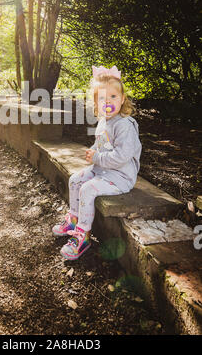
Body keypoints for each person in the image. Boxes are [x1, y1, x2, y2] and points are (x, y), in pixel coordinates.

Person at [52, 65, 142, 260]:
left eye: (113, 97)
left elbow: (122, 156)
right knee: (75, 180)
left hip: (120, 177)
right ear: (96, 102)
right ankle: (74, 220)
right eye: (102, 98)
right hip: (102, 169)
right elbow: (101, 143)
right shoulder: (104, 121)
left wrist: (98, 158)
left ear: (122, 99)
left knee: (87, 189)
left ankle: (83, 236)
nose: (107, 102)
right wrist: (94, 151)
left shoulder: (124, 125)